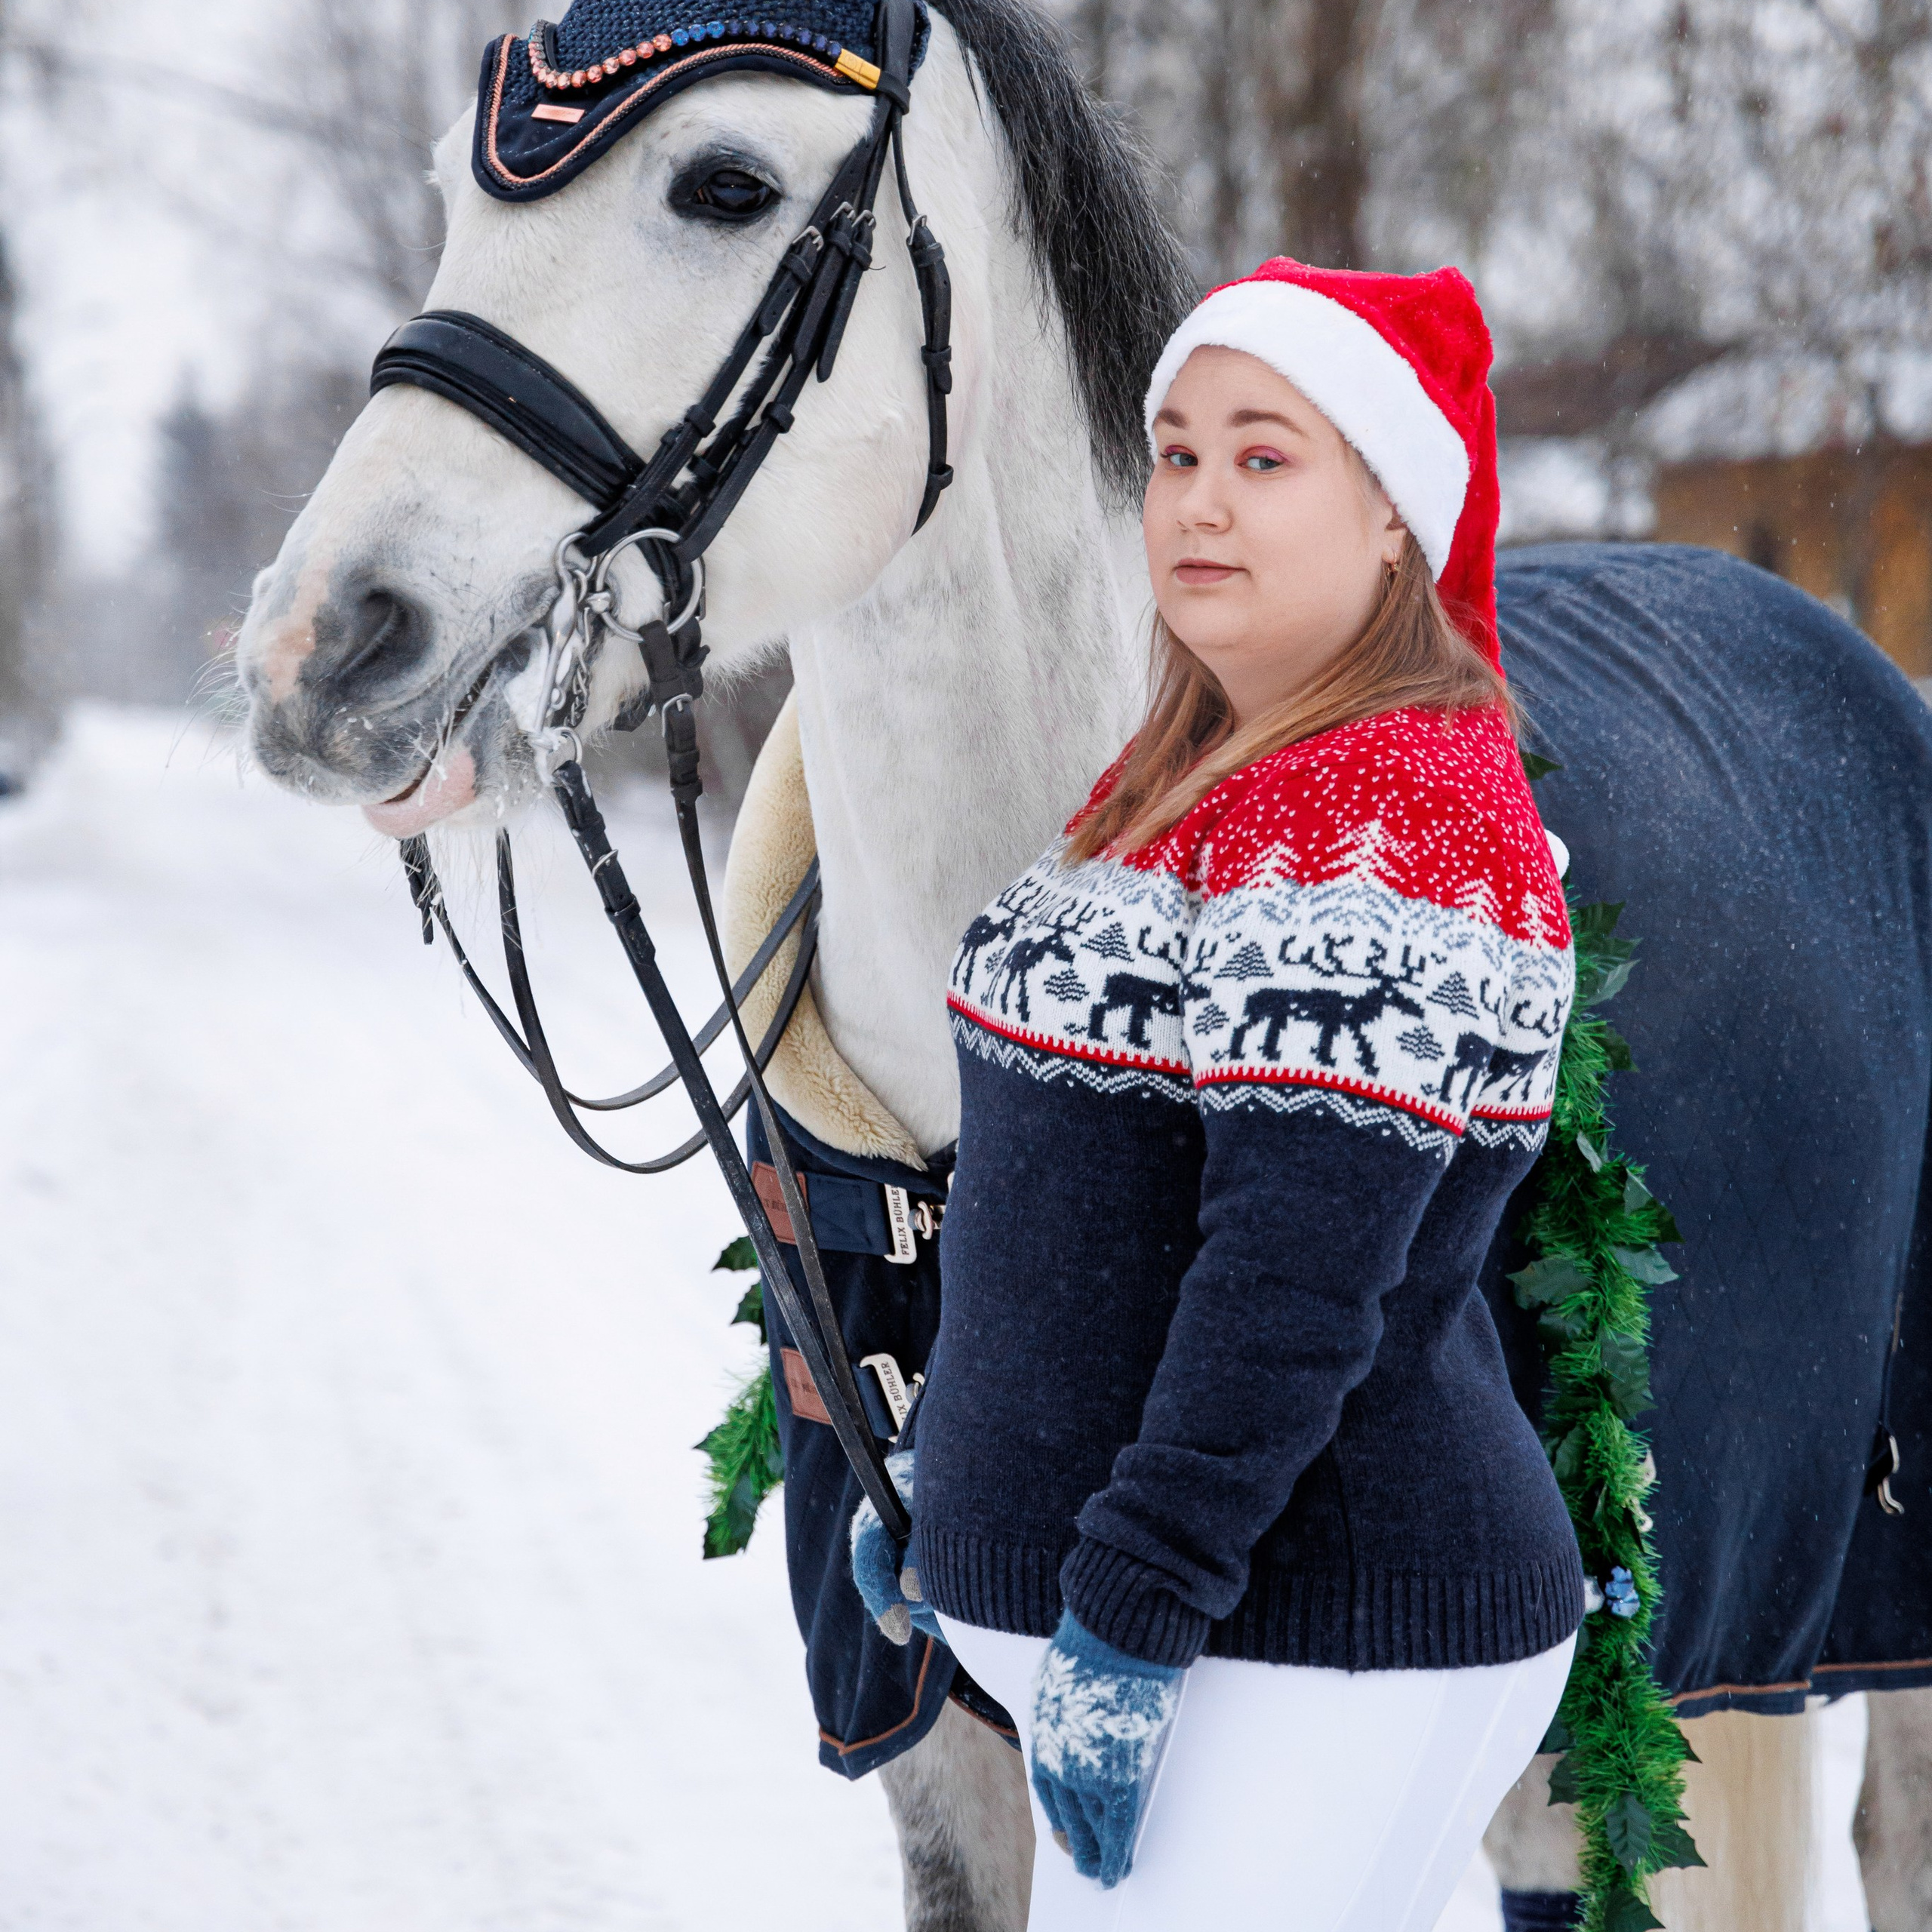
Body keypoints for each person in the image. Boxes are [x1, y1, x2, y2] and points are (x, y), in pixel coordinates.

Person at [854, 257, 1585, 1930]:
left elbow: (1290, 1275)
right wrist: (959, 1490)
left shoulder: (1388, 807)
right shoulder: (1182, 774)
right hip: (1216, 1635)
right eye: (1174, 452)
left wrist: (1125, 1603)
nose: (1195, 498)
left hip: (1310, 1635)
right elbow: (1075, 1198)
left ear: (1392, 511)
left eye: (1263, 457)